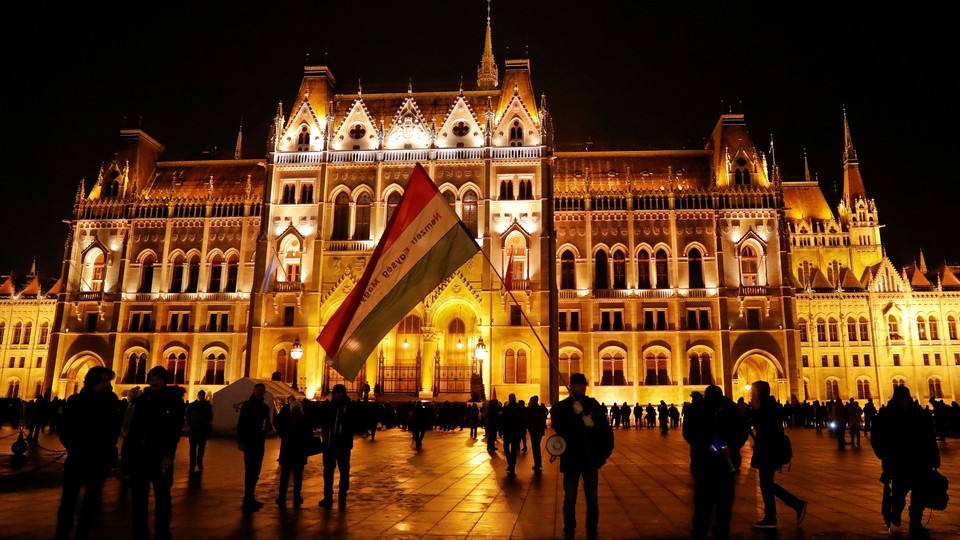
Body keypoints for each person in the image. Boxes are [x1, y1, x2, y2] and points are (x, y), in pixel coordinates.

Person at [55, 366, 121, 540]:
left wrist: (109, 447)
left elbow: (114, 427)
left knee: (92, 501)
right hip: (78, 457)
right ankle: (62, 533)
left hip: (99, 459)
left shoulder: (111, 400)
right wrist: (74, 447)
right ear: (95, 382)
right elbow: (64, 428)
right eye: (106, 381)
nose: (109, 384)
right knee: (69, 500)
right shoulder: (76, 401)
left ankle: (82, 534)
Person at [871, 385, 941, 537]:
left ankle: (915, 522)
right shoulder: (887, 415)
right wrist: (883, 454)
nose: (903, 403)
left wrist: (934, 458)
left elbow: (929, 437)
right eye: (900, 400)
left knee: (919, 495)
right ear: (895, 400)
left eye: (905, 400)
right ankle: (895, 512)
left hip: (919, 462)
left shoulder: (919, 414)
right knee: (898, 493)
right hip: (898, 462)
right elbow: (877, 436)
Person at [551, 373, 614, 540]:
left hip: (590, 459)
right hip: (572, 459)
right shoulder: (562, 407)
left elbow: (602, 428)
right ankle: (569, 528)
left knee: (592, 499)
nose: (581, 388)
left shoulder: (592, 404)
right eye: (578, 385)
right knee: (570, 497)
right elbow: (560, 428)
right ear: (571, 386)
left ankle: (592, 528)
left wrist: (588, 419)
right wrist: (574, 415)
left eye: (583, 385)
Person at [126, 366, 185, 540]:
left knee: (162, 495)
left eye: (157, 379)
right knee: (138, 495)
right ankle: (139, 528)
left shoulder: (173, 399)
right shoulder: (143, 398)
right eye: (151, 379)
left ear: (164, 380)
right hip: (141, 454)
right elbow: (133, 427)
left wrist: (169, 454)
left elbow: (174, 430)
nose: (154, 382)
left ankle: (162, 529)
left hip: (160, 455)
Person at [683, 385, 749, 540]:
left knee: (703, 497)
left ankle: (701, 527)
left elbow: (689, 432)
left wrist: (705, 445)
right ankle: (721, 527)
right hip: (724, 460)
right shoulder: (732, 408)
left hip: (705, 460)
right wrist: (731, 446)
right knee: (724, 498)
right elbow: (742, 430)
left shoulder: (696, 409)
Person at [749, 380, 807, 529]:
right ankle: (778, 513)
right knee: (767, 483)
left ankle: (777, 514)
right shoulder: (771, 406)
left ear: (760, 394)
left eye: (753, 393)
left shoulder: (766, 408)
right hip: (770, 449)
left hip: (769, 450)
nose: (751, 396)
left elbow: (764, 427)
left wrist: (755, 411)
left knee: (766, 483)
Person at [318, 384, 356, 509]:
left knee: (344, 472)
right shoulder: (329, 407)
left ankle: (342, 496)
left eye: (340, 392)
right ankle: (328, 496)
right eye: (336, 392)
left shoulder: (349, 408)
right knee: (328, 472)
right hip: (329, 445)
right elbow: (322, 422)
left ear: (344, 394)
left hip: (343, 446)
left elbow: (355, 423)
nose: (338, 394)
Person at [237, 382, 271, 514]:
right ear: (254, 391)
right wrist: (241, 441)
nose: (260, 392)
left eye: (262, 390)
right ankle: (247, 498)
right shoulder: (247, 406)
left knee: (256, 470)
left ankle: (250, 497)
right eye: (258, 390)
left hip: (259, 441)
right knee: (250, 470)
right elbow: (241, 423)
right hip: (250, 441)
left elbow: (267, 423)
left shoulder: (264, 407)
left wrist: (268, 428)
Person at [275, 399, 312, 506]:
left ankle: (282, 497)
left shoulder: (286, 419)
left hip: (287, 451)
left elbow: (280, 432)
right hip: (299, 451)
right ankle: (296, 496)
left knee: (285, 476)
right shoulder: (304, 419)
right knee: (298, 475)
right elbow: (309, 435)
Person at [186, 390, 213, 472]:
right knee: (194, 448)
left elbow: (210, 416)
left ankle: (198, 462)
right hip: (195, 429)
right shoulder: (196, 405)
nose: (201, 397)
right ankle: (193, 463)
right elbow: (187, 415)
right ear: (198, 396)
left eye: (202, 396)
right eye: (200, 395)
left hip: (200, 429)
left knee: (200, 448)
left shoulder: (205, 406)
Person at [501, 394, 526, 475]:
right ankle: (512, 465)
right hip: (516, 432)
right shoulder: (519, 408)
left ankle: (510, 464)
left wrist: (501, 430)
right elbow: (522, 420)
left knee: (506, 448)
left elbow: (503, 420)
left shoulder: (506, 408)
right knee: (514, 450)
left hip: (508, 432)